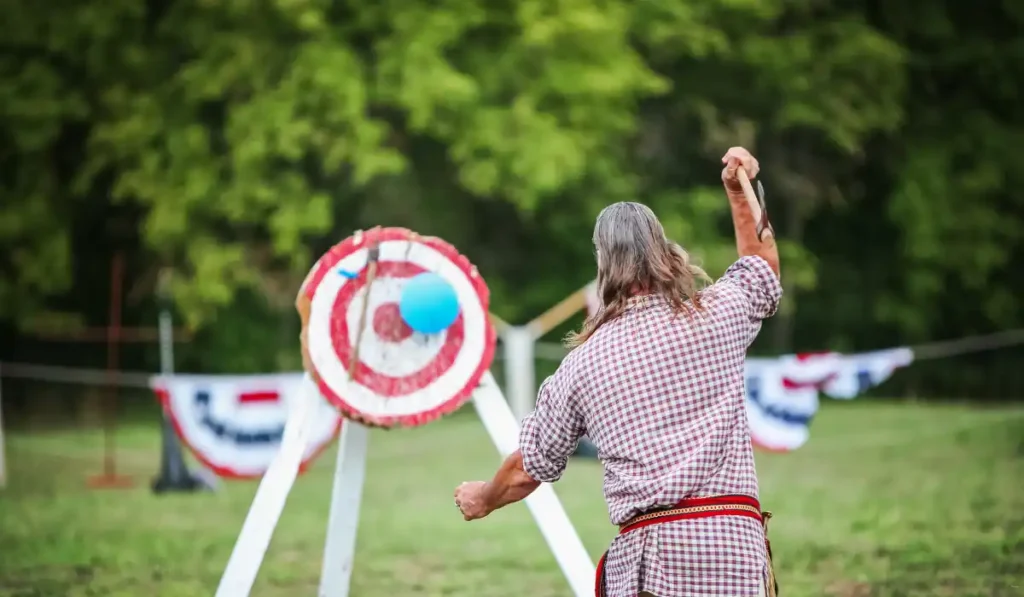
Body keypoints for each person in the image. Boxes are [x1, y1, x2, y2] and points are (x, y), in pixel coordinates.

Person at [454, 147, 781, 597]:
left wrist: (483, 497)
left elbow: (527, 468)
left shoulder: (581, 366)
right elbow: (761, 268)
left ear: (602, 260)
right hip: (734, 553)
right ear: (663, 248)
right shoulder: (717, 316)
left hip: (651, 562)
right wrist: (739, 194)